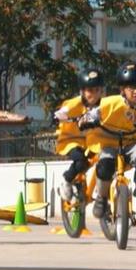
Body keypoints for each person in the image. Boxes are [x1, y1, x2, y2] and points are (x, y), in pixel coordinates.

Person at [81, 62, 136, 218]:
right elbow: (94, 113)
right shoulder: (112, 102)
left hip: (131, 143)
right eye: (131, 88)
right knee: (105, 166)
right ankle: (102, 199)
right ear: (123, 90)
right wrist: (84, 120)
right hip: (108, 142)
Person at [53, 68, 104, 202]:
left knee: (107, 158)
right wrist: (58, 116)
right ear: (82, 91)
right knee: (81, 161)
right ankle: (67, 179)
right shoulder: (75, 103)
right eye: (90, 91)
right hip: (71, 141)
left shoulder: (104, 105)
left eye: (97, 90)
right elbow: (63, 111)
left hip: (92, 141)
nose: (94, 94)